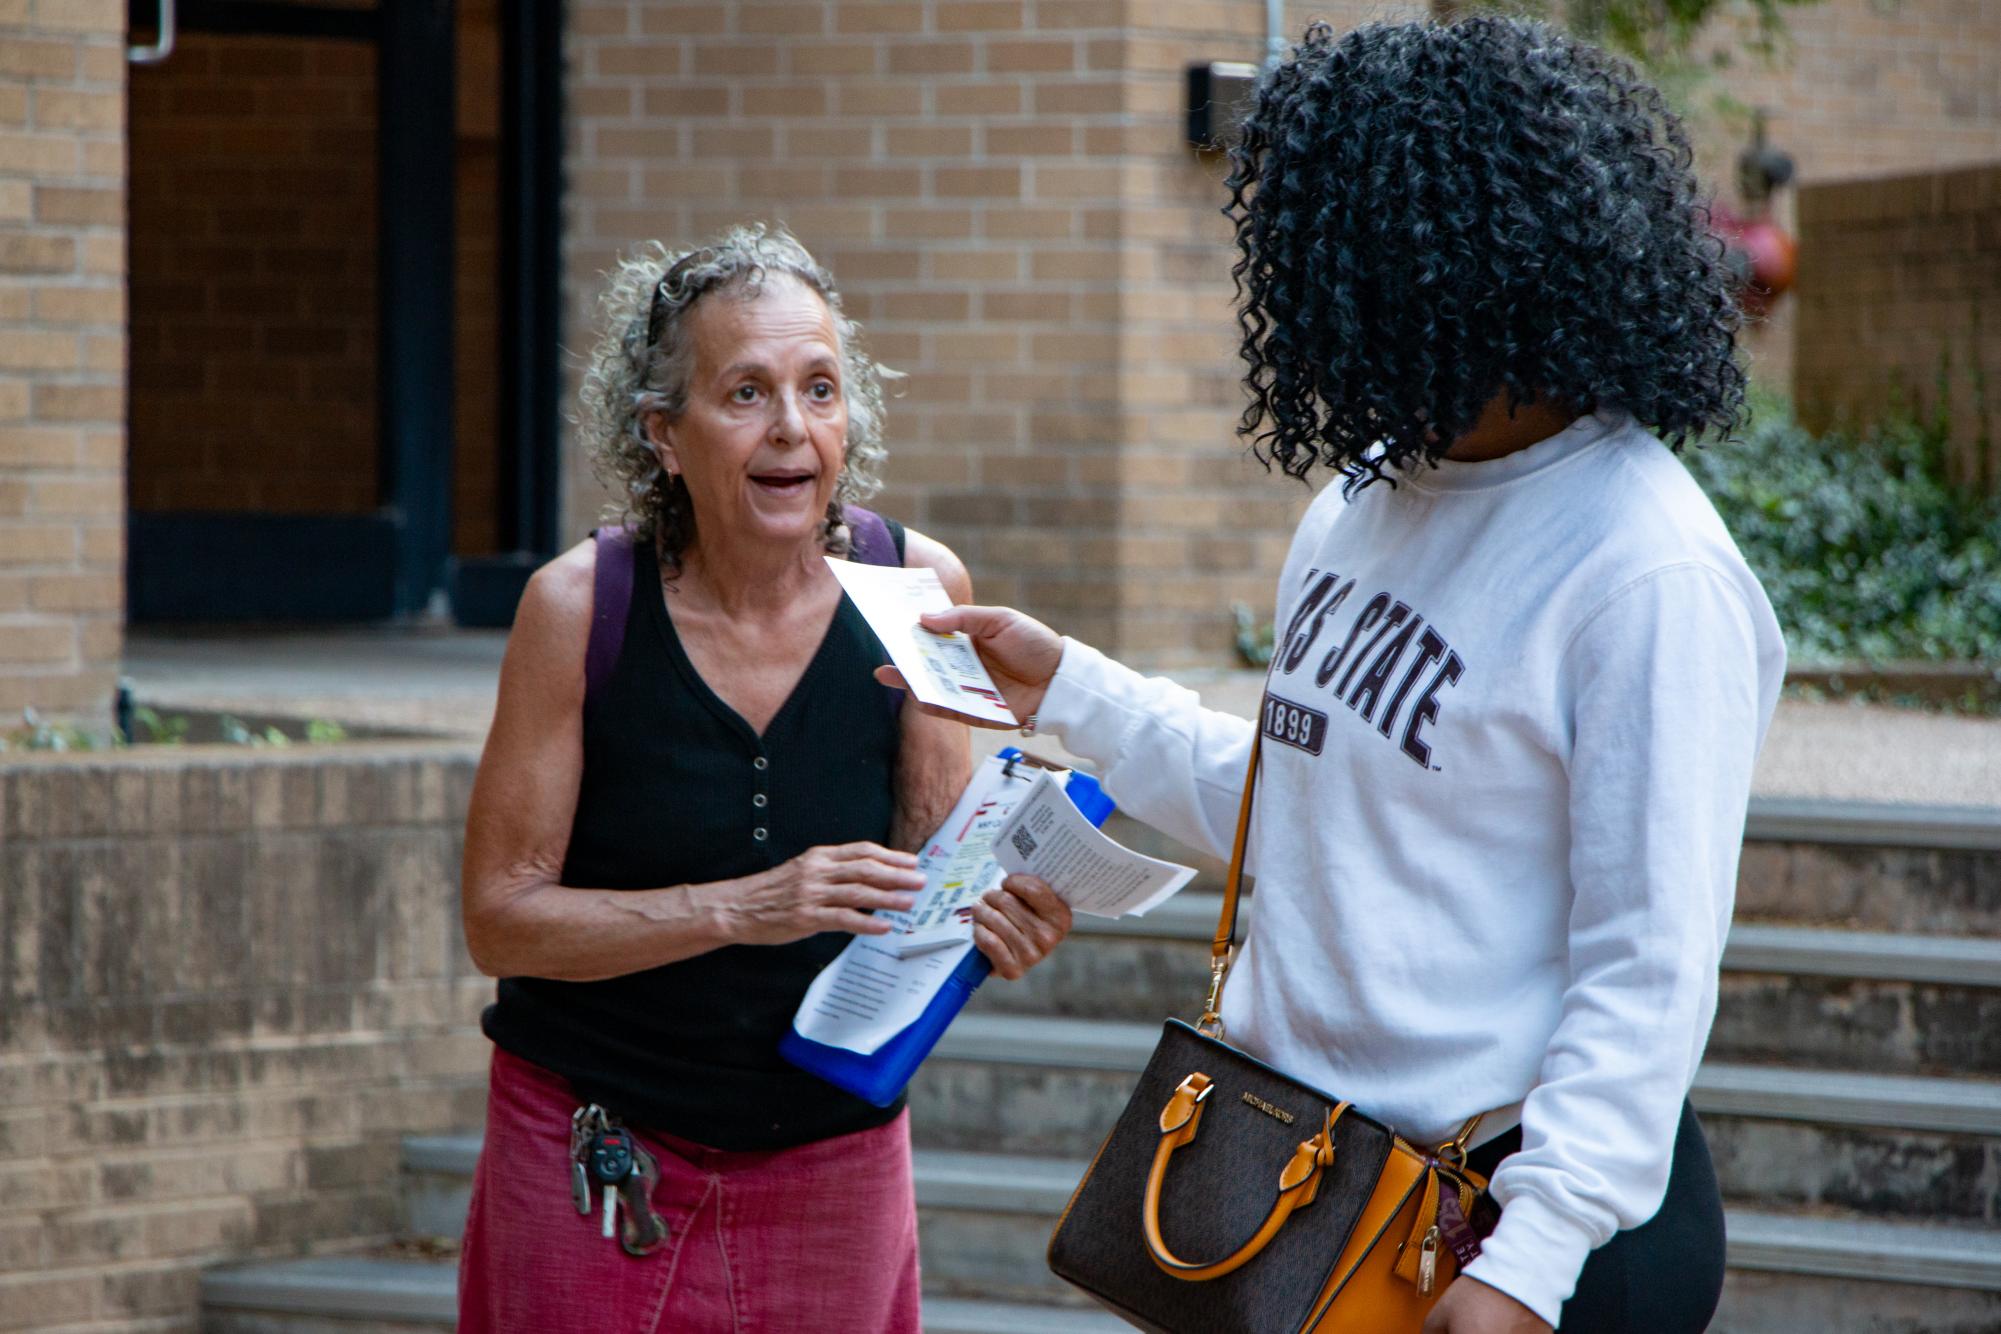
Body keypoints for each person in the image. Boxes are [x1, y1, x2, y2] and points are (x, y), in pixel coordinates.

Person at [887, 19, 1784, 1334]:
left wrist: (1524, 1266)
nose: (1369, 339)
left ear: (1514, 275)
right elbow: (1309, 804)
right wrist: (1068, 687)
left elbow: (1646, 961)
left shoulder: (1644, 567)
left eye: (1408, 296)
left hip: (1498, 1226)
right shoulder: (1366, 496)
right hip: (1305, 1190)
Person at [455, 225, 1073, 1333]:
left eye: (820, 389)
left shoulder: (920, 587)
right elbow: (502, 920)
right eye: (746, 392)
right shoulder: (577, 607)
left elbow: (938, 876)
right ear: (663, 434)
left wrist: (994, 921)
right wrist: (746, 907)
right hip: (597, 1144)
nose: (793, 427)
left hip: (831, 1153)